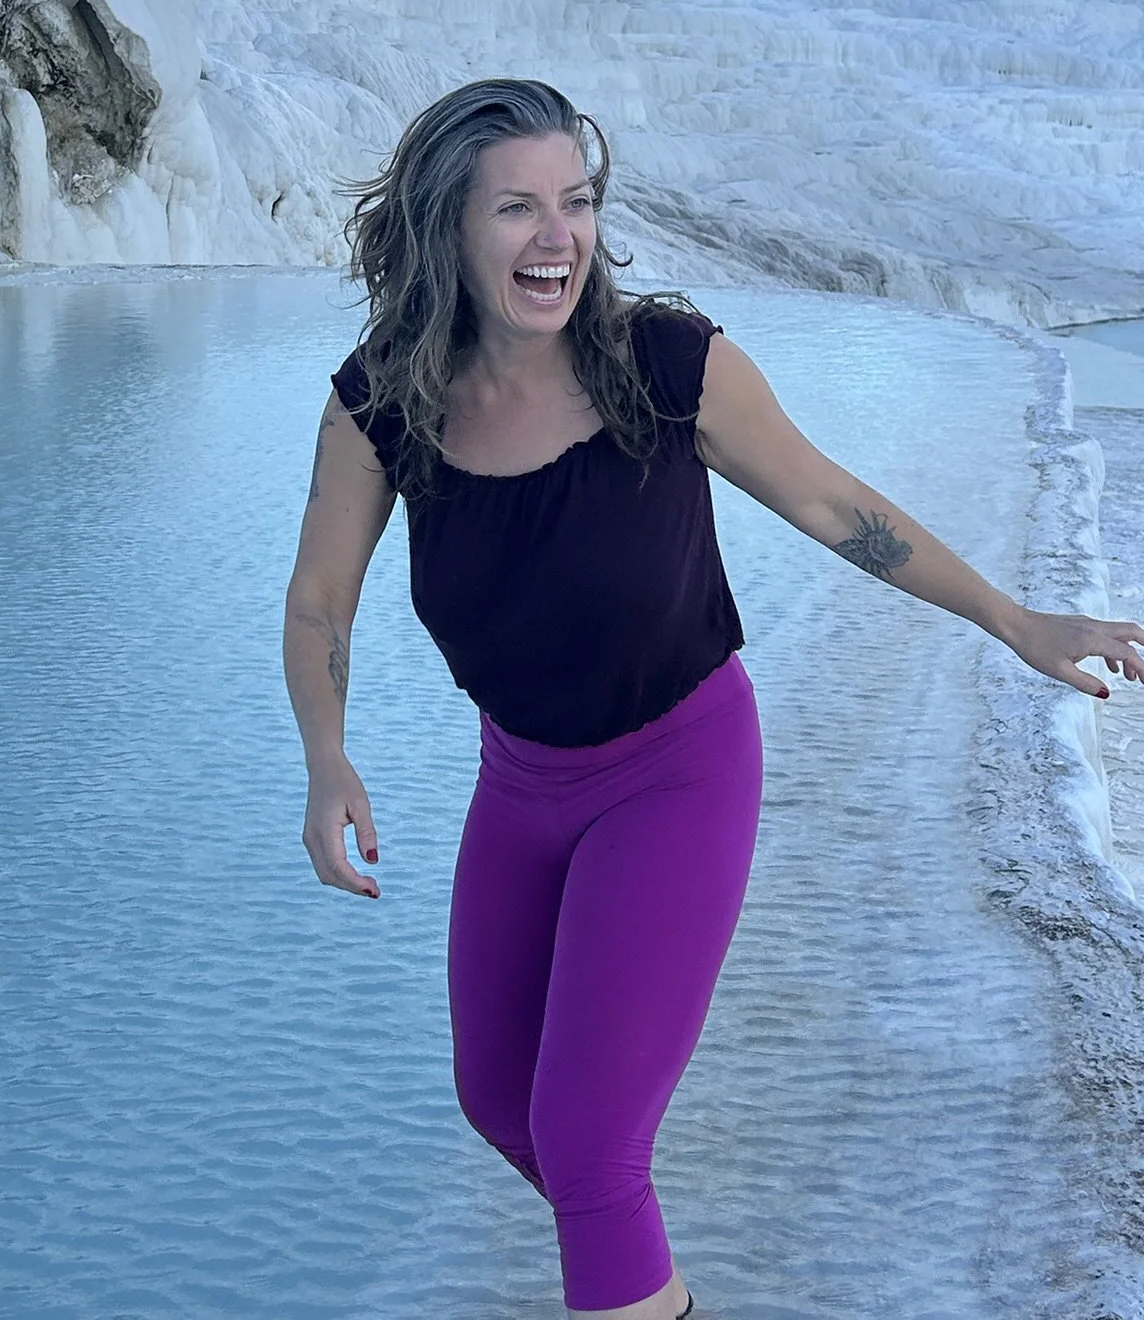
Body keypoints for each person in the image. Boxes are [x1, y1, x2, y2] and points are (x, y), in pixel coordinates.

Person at [280, 77, 1144, 1320]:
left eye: (574, 201)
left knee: (586, 1146)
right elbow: (318, 603)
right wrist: (327, 759)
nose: (557, 236)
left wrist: (1017, 619)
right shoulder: (384, 402)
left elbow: (842, 510)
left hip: (675, 771)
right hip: (520, 784)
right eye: (517, 206)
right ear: (445, 229)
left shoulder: (666, 365)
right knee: (499, 1100)